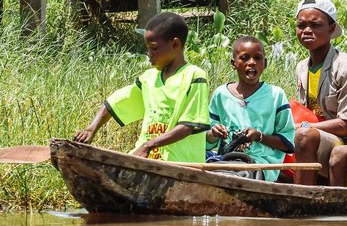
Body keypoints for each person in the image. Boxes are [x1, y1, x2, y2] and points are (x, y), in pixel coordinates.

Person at [74, 11, 210, 162]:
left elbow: (187, 126)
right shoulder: (148, 79)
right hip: (147, 162)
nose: (149, 53)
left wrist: (148, 146)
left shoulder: (194, 76)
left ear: (175, 44)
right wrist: (91, 128)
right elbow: (115, 103)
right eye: (148, 48)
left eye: (154, 48)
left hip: (182, 165)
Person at [291, 0, 347, 186]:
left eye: (315, 25)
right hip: (313, 137)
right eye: (301, 25)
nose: (307, 30)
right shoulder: (302, 67)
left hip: (345, 144)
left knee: (303, 135)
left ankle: (302, 196)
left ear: (331, 28)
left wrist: (304, 128)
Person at [206, 35, 296, 181]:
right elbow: (207, 141)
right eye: (245, 58)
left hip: (261, 164)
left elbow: (287, 143)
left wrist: (259, 136)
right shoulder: (221, 95)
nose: (252, 63)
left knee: (243, 176)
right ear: (233, 63)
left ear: (265, 63)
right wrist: (213, 133)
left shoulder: (275, 95)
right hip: (225, 159)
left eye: (258, 58)